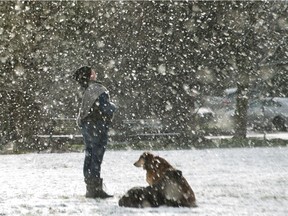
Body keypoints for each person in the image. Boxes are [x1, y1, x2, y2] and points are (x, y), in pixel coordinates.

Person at [72, 65, 116, 198]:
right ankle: (95, 188)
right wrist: (113, 107)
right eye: (93, 71)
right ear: (90, 75)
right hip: (98, 125)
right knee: (97, 155)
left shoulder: (84, 89)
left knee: (90, 154)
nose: (95, 72)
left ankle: (90, 187)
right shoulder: (97, 89)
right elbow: (105, 108)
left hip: (87, 125)